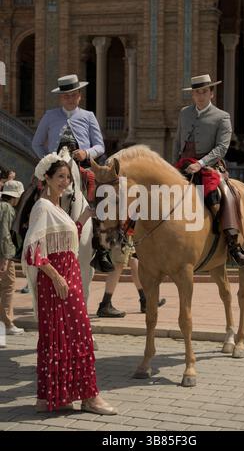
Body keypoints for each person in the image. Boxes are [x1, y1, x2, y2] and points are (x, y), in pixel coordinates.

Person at [21, 153, 117, 414]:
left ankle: (53, 397)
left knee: (61, 336)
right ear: (47, 179)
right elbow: (33, 252)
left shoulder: (57, 207)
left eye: (67, 177)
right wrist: (56, 277)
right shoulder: (42, 207)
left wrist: (84, 217)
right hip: (58, 279)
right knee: (78, 334)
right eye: (60, 177)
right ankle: (89, 398)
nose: (65, 182)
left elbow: (63, 239)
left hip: (68, 275)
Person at [31, 73, 113, 272]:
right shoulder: (50, 116)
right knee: (30, 194)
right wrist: (48, 161)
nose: (70, 98)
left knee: (100, 196)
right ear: (61, 97)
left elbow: (100, 145)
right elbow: (36, 143)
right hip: (55, 167)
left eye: (73, 95)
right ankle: (24, 234)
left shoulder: (88, 116)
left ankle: (100, 246)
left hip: (81, 166)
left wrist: (87, 152)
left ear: (79, 96)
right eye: (66, 95)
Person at [173, 74, 244, 267]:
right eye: (196, 92)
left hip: (210, 166)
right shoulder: (184, 113)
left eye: (204, 92)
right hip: (183, 165)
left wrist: (200, 163)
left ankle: (233, 244)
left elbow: (222, 148)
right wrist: (173, 164)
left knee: (227, 195)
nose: (200, 96)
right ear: (192, 95)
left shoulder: (222, 117)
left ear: (211, 94)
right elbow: (177, 141)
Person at [97, 235, 166, 318]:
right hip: (120, 231)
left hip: (126, 233)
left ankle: (145, 300)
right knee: (118, 264)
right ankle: (105, 305)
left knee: (133, 260)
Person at [0, 180, 25, 336]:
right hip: (3, 255)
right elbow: (5, 235)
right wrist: (6, 258)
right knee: (8, 287)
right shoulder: (8, 208)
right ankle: (6, 324)